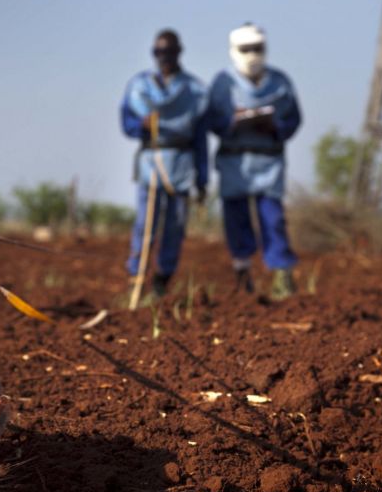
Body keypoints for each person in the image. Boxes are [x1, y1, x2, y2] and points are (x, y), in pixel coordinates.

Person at [207, 23, 302, 299]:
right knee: (236, 221)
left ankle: (282, 275)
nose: (252, 55)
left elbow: (294, 118)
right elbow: (212, 121)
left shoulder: (281, 82)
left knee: (272, 220)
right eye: (246, 49)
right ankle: (242, 274)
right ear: (234, 50)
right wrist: (232, 122)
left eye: (257, 49)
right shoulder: (222, 83)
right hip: (234, 163)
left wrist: (275, 128)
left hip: (268, 163)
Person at [120, 29, 208, 297]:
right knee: (144, 224)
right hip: (151, 162)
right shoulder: (138, 87)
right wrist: (141, 125)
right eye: (159, 52)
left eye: (169, 52)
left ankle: (162, 280)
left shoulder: (194, 90)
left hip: (181, 165)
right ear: (153, 54)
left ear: (179, 52)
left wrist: (202, 179)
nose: (165, 57)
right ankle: (137, 277)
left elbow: (201, 138)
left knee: (175, 226)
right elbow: (126, 122)